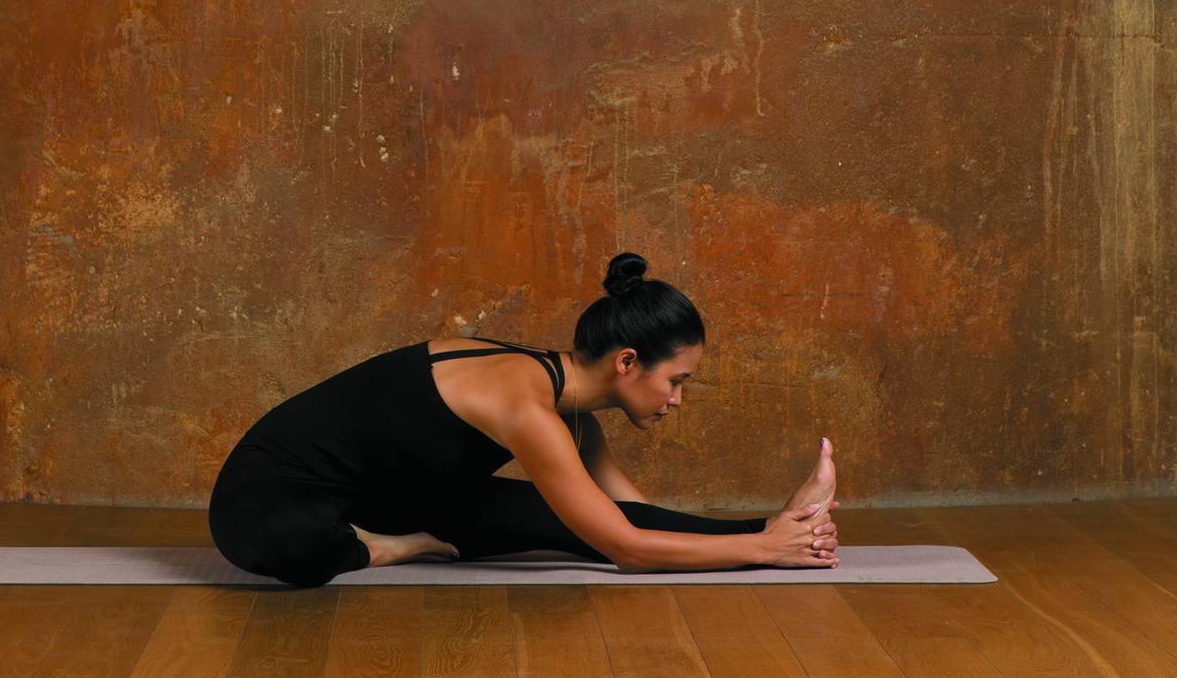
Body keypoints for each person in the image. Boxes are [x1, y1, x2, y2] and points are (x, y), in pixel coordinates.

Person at [208, 252, 841, 588]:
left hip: (392, 495)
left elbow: (625, 517)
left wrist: (782, 526)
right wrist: (762, 550)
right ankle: (390, 548)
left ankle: (400, 534)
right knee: (291, 538)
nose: (677, 399)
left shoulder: (568, 409)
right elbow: (627, 550)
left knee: (573, 525)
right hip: (270, 493)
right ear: (627, 361)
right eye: (676, 381)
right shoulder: (527, 406)